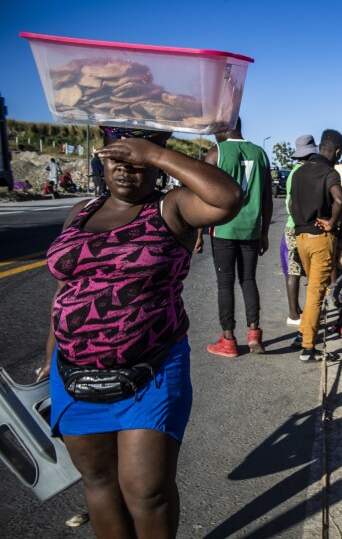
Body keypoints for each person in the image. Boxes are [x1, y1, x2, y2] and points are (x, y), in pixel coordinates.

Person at [37, 126, 242, 538]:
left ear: (153, 163)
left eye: (137, 161)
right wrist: (51, 351)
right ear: (102, 159)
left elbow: (228, 198)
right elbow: (68, 286)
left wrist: (154, 153)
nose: (126, 169)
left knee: (147, 491)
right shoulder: (79, 210)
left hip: (150, 372)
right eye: (117, 158)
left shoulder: (173, 208)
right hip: (72, 373)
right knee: (100, 483)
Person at [201, 118, 272, 357]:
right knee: (248, 279)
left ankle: (228, 340)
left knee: (225, 283)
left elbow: (201, 195)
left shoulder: (216, 153)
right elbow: (267, 199)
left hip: (223, 228)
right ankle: (255, 337)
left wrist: (197, 233)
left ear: (223, 128)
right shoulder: (260, 153)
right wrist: (263, 232)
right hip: (251, 228)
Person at [289, 129, 342, 361]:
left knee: (312, 289)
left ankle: (303, 333)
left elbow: (291, 202)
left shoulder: (300, 172)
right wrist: (332, 221)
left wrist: (302, 222)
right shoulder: (329, 173)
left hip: (301, 238)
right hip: (321, 239)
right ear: (338, 151)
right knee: (316, 293)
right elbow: (340, 199)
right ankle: (308, 347)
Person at [283, 134, 319, 329]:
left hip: (294, 225)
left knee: (295, 268)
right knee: (295, 269)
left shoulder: (295, 171)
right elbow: (291, 203)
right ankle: (293, 313)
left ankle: (295, 310)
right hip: (298, 225)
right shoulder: (300, 173)